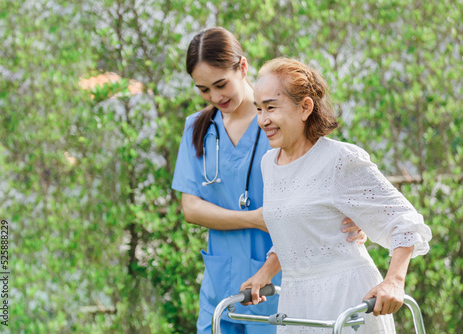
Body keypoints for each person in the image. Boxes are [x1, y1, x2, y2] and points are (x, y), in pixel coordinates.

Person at [172, 27, 367, 334]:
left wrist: (355, 216)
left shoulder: (280, 121)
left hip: (280, 284)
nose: (215, 97)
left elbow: (326, 178)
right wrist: (255, 218)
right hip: (220, 284)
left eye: (221, 84)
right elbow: (192, 209)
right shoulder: (197, 128)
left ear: (243, 67)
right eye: (204, 89)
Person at [240, 57, 432, 333]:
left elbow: (403, 219)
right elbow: (295, 234)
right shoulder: (268, 164)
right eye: (258, 109)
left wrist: (394, 281)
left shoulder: (338, 160)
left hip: (347, 297)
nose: (262, 120)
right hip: (296, 303)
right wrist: (265, 273)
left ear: (305, 107)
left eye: (271, 107)